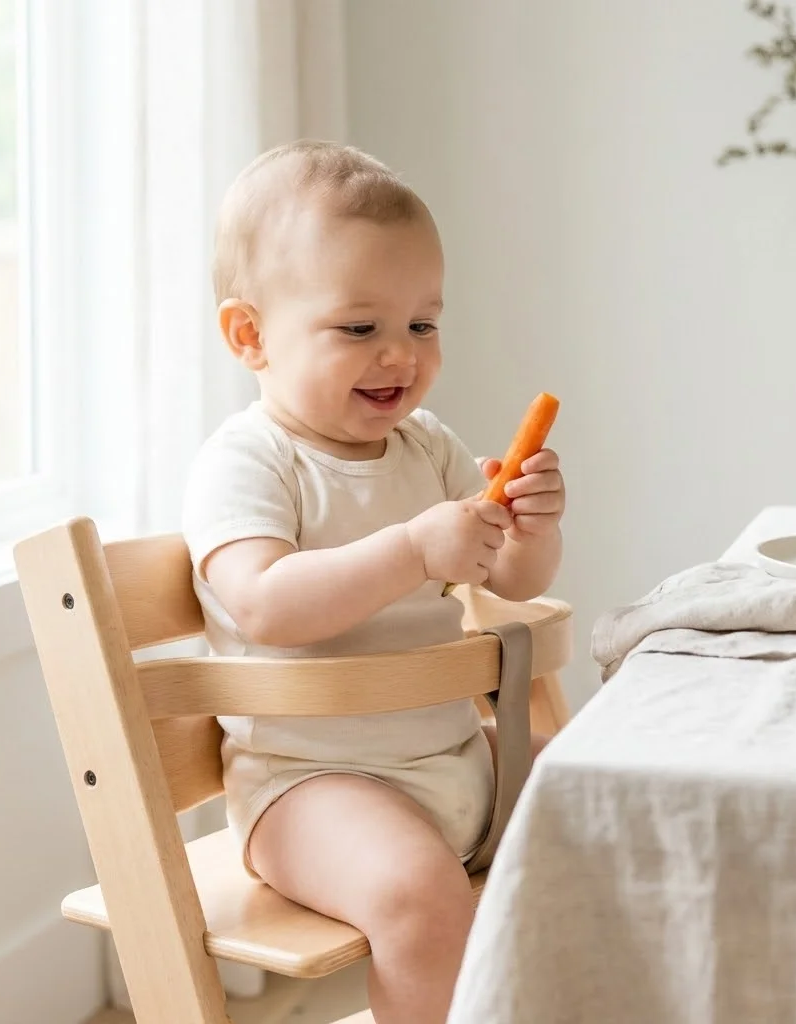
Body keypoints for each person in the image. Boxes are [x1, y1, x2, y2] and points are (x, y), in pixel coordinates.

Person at [181, 140, 565, 1024]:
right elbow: (265, 602)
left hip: (457, 755)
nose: (400, 355)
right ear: (250, 336)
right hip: (311, 785)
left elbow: (507, 580)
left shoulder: (426, 447)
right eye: (360, 329)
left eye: (422, 325)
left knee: (611, 792)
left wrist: (530, 529)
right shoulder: (248, 462)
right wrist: (411, 551)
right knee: (414, 892)